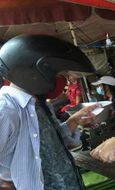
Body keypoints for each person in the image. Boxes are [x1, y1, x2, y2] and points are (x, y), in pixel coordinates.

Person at [0, 35, 100, 190]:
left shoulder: (38, 103)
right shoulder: (6, 109)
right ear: (33, 72)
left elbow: (49, 146)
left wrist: (73, 121)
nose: (61, 80)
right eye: (56, 74)